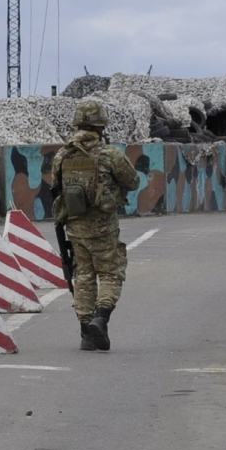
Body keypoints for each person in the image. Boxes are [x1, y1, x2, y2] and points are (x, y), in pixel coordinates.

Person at [51, 97, 141, 352]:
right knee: (111, 273)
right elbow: (133, 181)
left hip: (75, 226)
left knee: (84, 276)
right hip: (103, 226)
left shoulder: (62, 154)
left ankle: (86, 334)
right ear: (101, 127)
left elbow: (54, 188)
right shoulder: (110, 154)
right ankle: (101, 318)